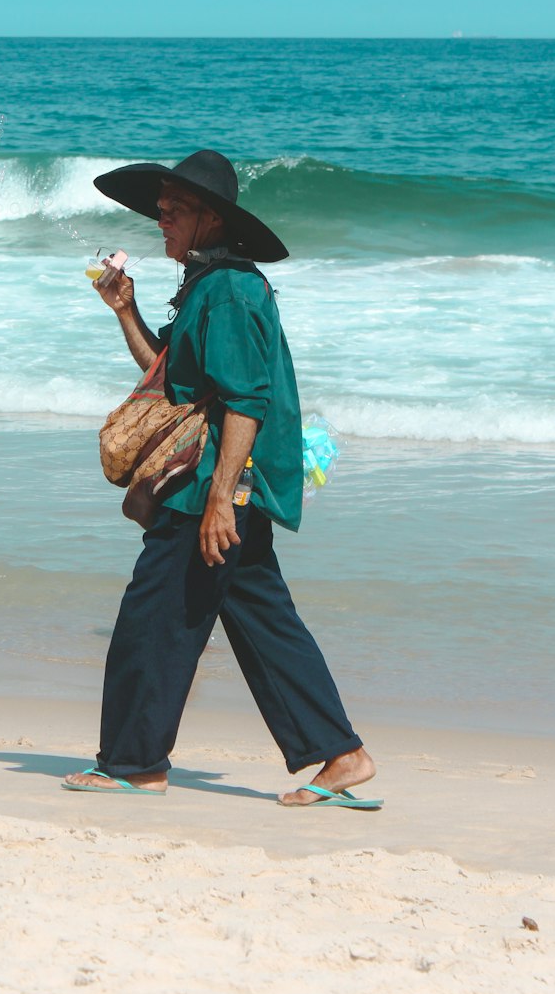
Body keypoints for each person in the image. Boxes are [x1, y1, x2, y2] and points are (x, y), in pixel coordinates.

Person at [63, 150, 380, 808]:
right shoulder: (210, 285)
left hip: (212, 482)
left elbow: (246, 400)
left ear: (211, 218)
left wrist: (221, 502)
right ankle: (341, 755)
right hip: (218, 481)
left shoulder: (232, 289)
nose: (162, 223)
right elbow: (172, 381)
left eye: (174, 212)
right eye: (160, 213)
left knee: (152, 618)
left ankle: (135, 761)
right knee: (262, 620)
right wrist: (125, 310)